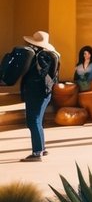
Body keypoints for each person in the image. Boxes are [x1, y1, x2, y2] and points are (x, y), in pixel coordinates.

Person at [19, 31, 59, 161]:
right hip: (46, 92)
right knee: (38, 121)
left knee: (33, 121)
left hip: (35, 92)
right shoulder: (52, 55)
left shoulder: (38, 56)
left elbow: (33, 75)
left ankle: (37, 153)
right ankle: (41, 148)